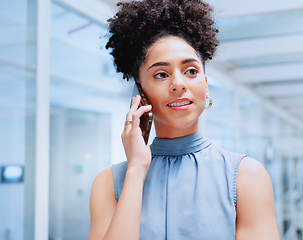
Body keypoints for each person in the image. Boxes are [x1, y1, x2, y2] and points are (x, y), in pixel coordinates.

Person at [88, 0, 279, 239]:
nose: (179, 84)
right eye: (161, 74)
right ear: (140, 93)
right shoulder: (109, 184)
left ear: (206, 86)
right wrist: (136, 171)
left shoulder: (246, 176)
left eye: (191, 71)